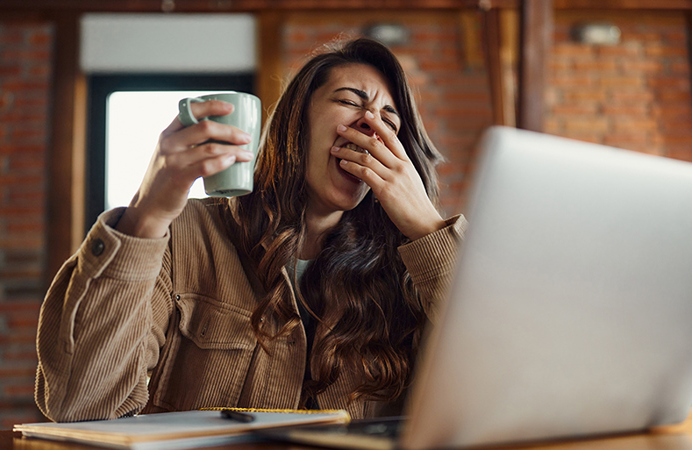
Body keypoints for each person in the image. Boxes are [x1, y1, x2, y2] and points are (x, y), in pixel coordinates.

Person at [35, 37, 467, 422]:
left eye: (389, 120)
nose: (371, 125)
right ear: (297, 123)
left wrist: (427, 226)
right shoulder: (182, 238)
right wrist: (146, 215)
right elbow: (80, 405)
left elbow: (492, 390)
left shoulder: (408, 267)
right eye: (352, 101)